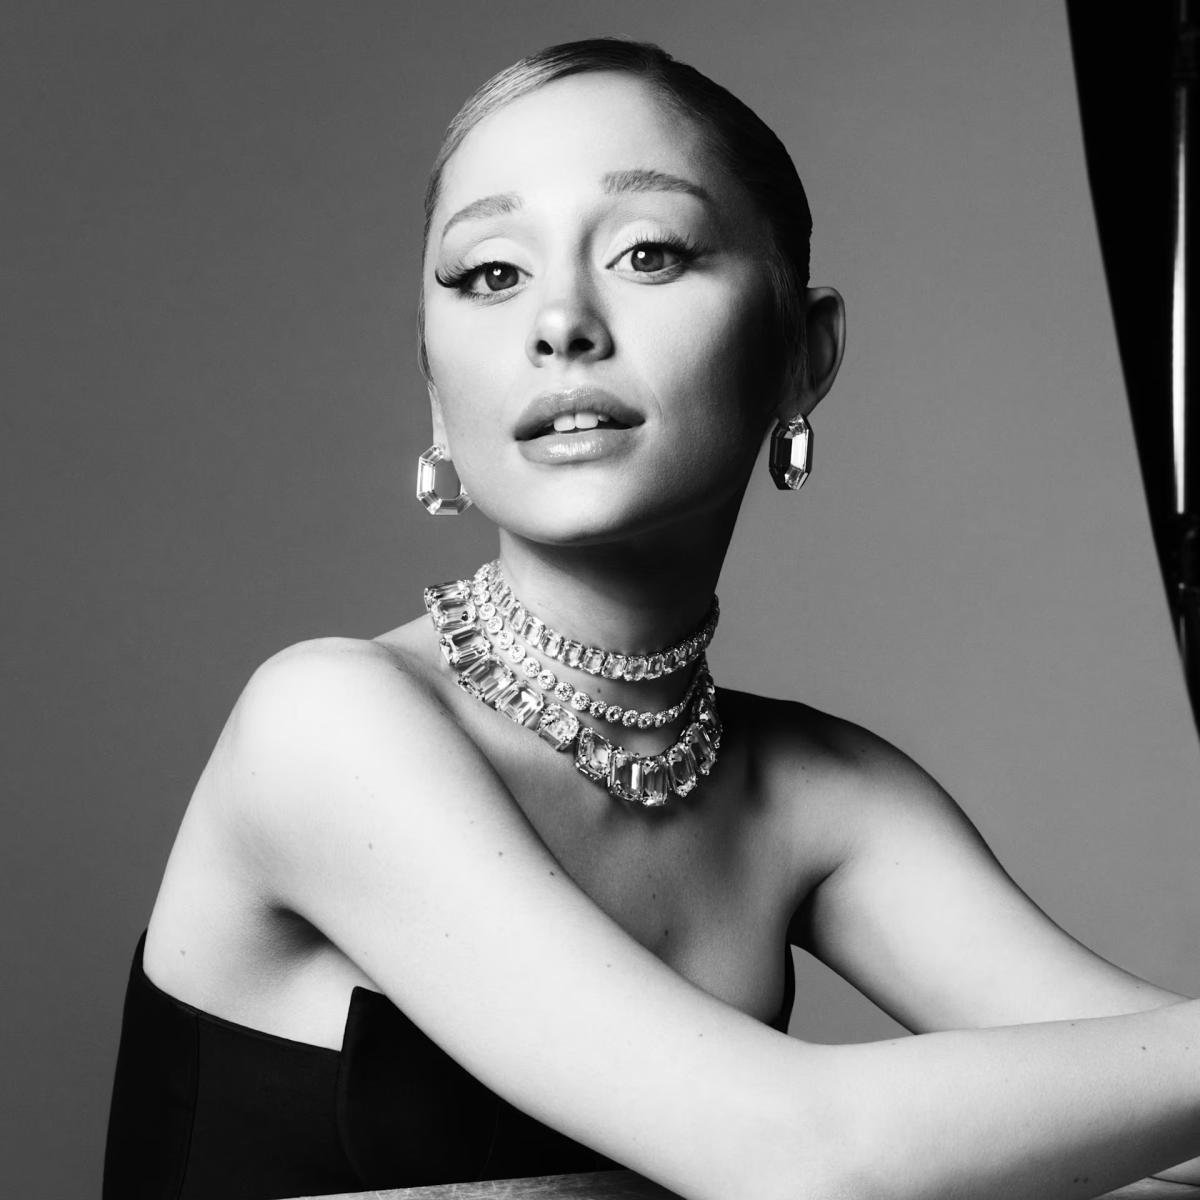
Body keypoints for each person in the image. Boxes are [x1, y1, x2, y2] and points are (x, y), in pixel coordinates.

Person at [104, 37, 1200, 1200]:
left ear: (803, 355)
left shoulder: (819, 793)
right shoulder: (323, 726)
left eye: (648, 252)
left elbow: (1170, 1137)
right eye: (491, 273)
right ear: (434, 385)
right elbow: (794, 1154)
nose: (560, 322)